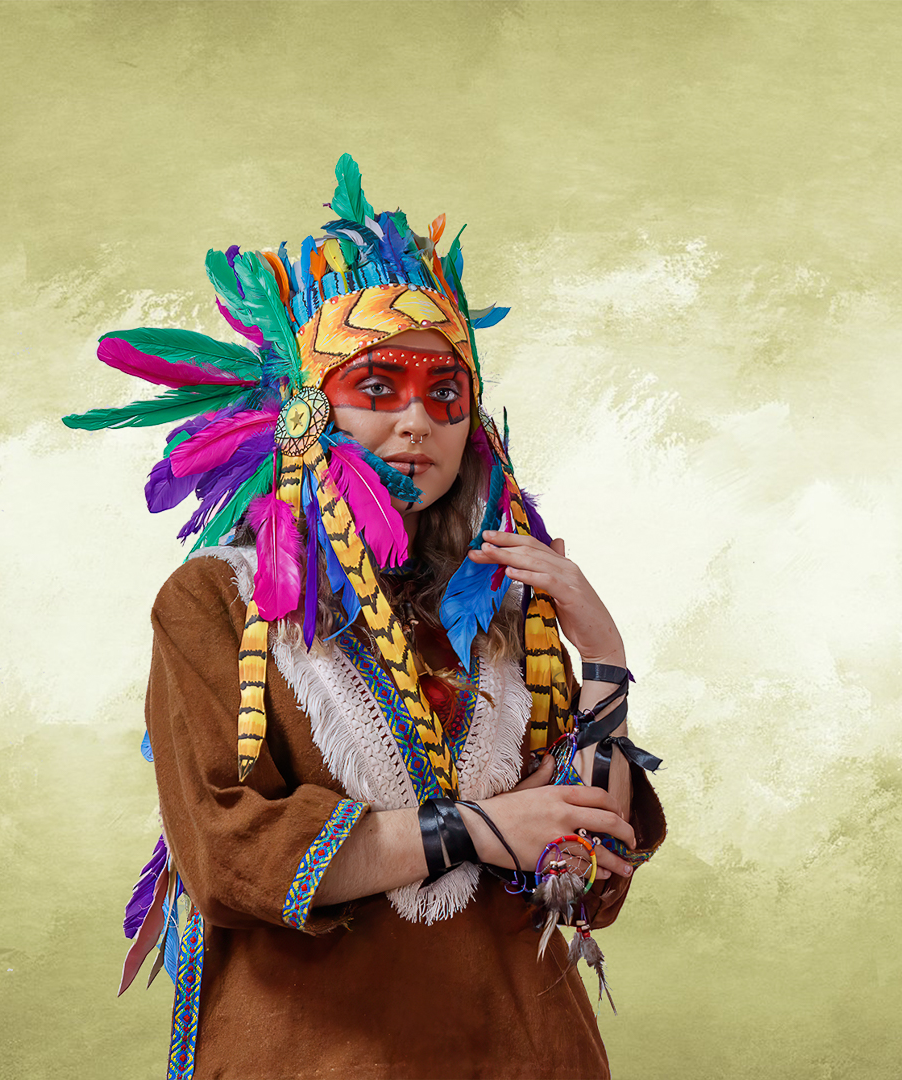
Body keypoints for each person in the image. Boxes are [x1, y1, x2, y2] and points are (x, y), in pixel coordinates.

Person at [64, 155, 664, 1079]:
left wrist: (607, 662)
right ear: (305, 415)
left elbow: (582, 871)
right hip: (317, 1056)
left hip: (527, 1052)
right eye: (377, 390)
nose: (416, 422)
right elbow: (228, 856)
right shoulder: (218, 603)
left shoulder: (512, 612)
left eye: (444, 393)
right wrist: (478, 828)